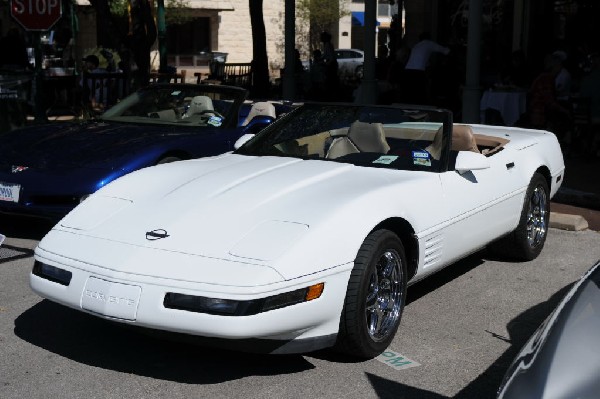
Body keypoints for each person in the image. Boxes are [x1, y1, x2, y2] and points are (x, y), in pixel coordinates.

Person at [400, 32, 450, 104]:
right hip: (418, 72)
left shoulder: (416, 46)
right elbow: (445, 51)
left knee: (410, 94)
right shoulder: (429, 43)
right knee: (420, 93)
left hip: (408, 71)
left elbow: (422, 60)